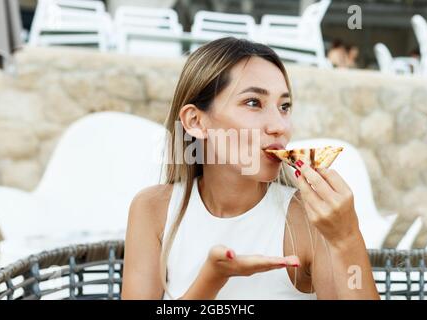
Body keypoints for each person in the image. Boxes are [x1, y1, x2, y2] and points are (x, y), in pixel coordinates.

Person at [121, 37, 379, 300]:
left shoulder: (310, 220)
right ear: (196, 121)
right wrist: (211, 280)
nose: (279, 126)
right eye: (254, 102)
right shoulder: (153, 210)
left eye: (284, 106)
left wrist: (346, 238)